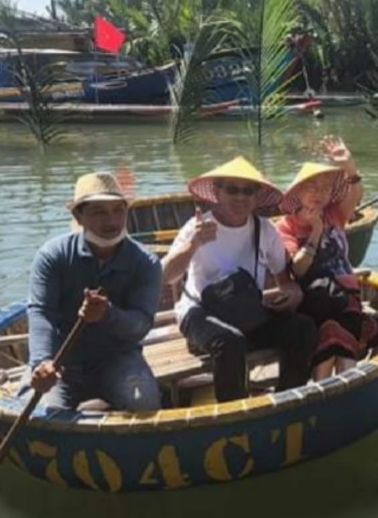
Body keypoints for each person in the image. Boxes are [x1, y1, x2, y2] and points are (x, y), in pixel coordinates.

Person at [162, 156, 316, 403]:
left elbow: (284, 280)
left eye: (248, 191)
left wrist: (292, 292)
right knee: (230, 342)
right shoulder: (197, 227)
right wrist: (193, 245)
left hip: (246, 312)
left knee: (302, 327)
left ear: (256, 197)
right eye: (232, 189)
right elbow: (167, 275)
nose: (240, 198)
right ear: (217, 192)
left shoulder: (265, 229)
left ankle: (286, 400)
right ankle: (234, 414)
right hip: (200, 313)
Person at [25, 172, 162, 411]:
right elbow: (41, 313)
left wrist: (107, 314)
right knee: (44, 415)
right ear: (79, 216)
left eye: (118, 210)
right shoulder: (53, 256)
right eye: (99, 212)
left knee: (145, 404)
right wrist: (43, 362)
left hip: (118, 358)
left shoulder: (145, 262)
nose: (111, 221)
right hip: (63, 362)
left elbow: (141, 324)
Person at [278, 136, 378, 380]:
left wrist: (348, 165)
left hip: (346, 295)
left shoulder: (336, 213)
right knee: (331, 322)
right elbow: (297, 271)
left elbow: (356, 192)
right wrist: (316, 231)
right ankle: (332, 386)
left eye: (325, 188)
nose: (318, 194)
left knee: (343, 315)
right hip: (314, 299)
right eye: (311, 187)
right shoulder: (286, 227)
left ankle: (340, 386)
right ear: (298, 191)